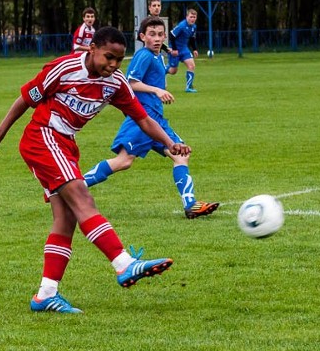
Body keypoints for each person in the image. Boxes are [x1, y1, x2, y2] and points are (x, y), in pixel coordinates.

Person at [0, 26, 185, 314]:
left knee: (66, 218)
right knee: (83, 200)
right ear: (92, 49)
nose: (112, 65)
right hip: (43, 137)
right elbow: (26, 98)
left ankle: (45, 295)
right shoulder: (64, 68)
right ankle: (124, 264)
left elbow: (143, 118)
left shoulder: (115, 82)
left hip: (65, 144)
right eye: (108, 57)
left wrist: (169, 142)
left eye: (118, 60)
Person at [84, 16, 219, 219]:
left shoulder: (157, 56)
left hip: (157, 119)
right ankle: (72, 187)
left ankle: (190, 205)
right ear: (142, 37)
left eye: (160, 34)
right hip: (143, 119)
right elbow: (131, 82)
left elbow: (169, 72)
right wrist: (156, 90)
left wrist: (174, 61)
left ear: (165, 36)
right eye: (152, 34)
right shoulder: (144, 56)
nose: (156, 38)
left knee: (180, 155)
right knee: (124, 161)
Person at [167, 8, 200, 92]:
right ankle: (162, 70)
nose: (192, 19)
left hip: (184, 48)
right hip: (175, 49)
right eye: (191, 17)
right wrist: (174, 49)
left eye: (194, 17)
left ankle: (188, 87)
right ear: (186, 17)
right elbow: (171, 36)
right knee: (173, 71)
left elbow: (192, 38)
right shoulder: (181, 26)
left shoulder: (193, 27)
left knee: (191, 65)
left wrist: (195, 49)